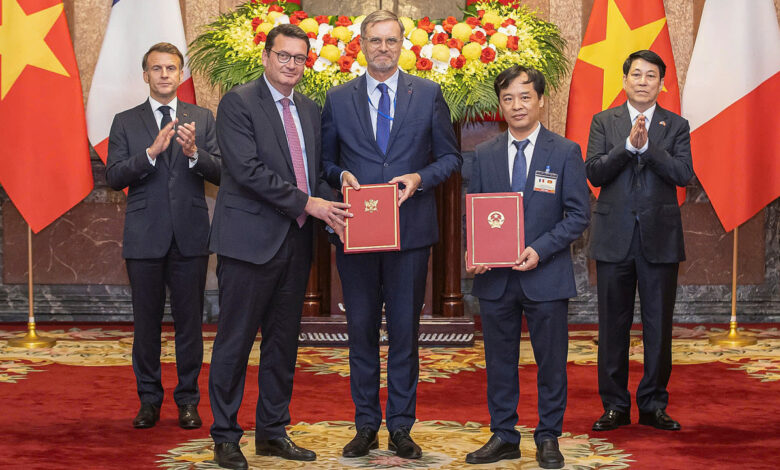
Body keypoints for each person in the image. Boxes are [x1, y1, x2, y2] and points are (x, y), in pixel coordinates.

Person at [207, 24, 350, 470]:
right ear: (266, 56)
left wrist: (338, 192)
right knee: (235, 343)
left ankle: (272, 431)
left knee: (283, 344)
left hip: (296, 242)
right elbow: (247, 170)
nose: (291, 65)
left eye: (299, 58)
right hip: (248, 244)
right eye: (283, 56)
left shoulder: (308, 109)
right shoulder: (238, 102)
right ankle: (225, 436)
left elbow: (310, 173)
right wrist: (311, 203)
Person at [321, 9, 462, 460]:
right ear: (361, 44)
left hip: (410, 235)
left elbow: (450, 158)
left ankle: (401, 426)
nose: (383, 48)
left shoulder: (429, 94)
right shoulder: (337, 98)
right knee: (360, 332)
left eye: (391, 40)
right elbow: (325, 162)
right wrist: (340, 175)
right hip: (357, 233)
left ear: (403, 45)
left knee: (404, 333)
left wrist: (419, 178)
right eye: (375, 40)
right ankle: (365, 425)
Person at [464, 65, 589, 468]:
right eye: (508, 98)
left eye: (524, 97)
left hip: (545, 274)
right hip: (496, 279)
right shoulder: (484, 153)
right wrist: (473, 250)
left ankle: (548, 435)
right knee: (499, 362)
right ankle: (504, 434)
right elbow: (474, 211)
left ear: (540, 101)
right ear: (500, 105)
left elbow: (578, 215)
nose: (516, 105)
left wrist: (539, 249)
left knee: (551, 363)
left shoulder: (565, 151)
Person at [106, 42, 220, 431]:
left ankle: (188, 401)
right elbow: (114, 176)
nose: (165, 74)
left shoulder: (201, 118)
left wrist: (195, 154)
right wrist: (150, 153)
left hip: (190, 237)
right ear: (146, 75)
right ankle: (149, 401)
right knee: (147, 325)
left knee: (190, 325)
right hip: (144, 237)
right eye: (157, 68)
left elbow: (222, 171)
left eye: (171, 68)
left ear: (181, 74)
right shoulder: (126, 121)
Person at [586, 50, 693, 432]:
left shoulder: (675, 125)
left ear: (661, 84)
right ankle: (614, 405)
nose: (643, 81)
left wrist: (648, 149)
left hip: (659, 239)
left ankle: (653, 404)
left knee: (658, 326)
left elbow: (683, 174)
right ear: (624, 80)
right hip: (614, 238)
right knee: (612, 328)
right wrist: (628, 147)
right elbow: (595, 172)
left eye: (651, 76)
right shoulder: (604, 121)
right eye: (636, 74)